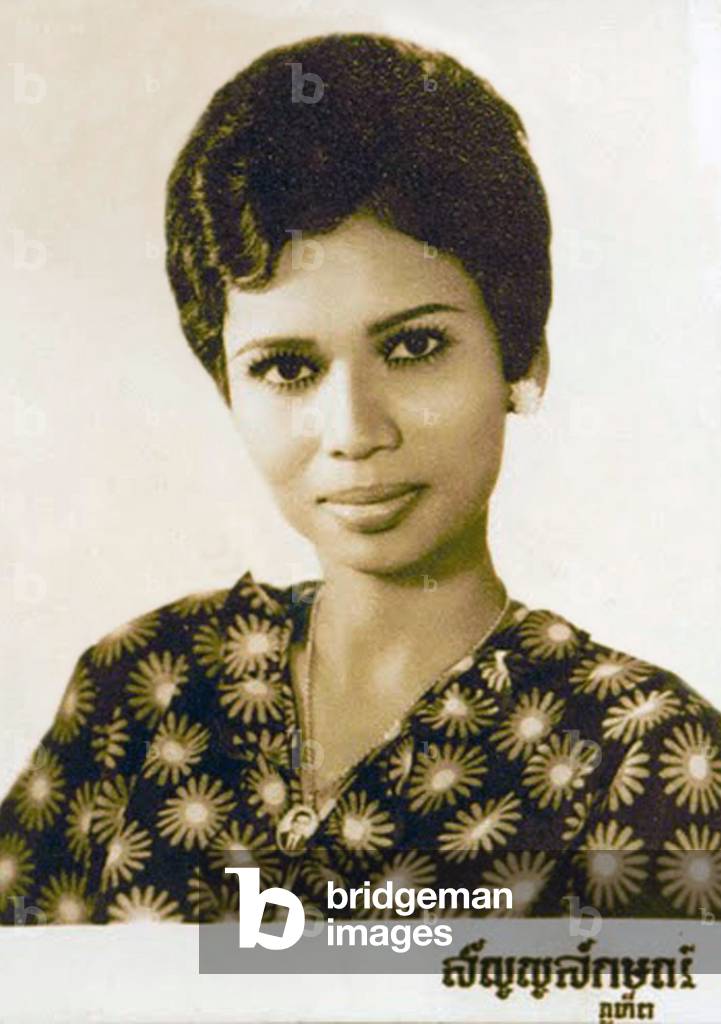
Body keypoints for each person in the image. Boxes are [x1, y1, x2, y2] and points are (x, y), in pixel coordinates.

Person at [1, 31, 720, 927]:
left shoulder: (640, 754)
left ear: (520, 360)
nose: (353, 431)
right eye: (287, 369)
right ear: (225, 385)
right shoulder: (139, 691)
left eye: (414, 347)